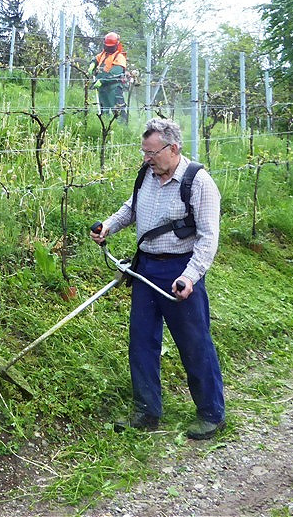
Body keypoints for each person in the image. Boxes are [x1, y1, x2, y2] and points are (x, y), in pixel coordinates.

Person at [90, 118, 226, 440]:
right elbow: (131, 208)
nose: (146, 158)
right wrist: (108, 225)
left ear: (173, 148)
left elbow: (208, 239)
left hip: (180, 271)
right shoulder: (148, 175)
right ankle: (147, 411)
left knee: (194, 344)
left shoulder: (199, 182)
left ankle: (211, 413)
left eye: (151, 153)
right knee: (141, 342)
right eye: (144, 152)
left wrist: (189, 277)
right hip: (145, 269)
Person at [89, 31, 128, 122]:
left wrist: (102, 81)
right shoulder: (103, 54)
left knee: (118, 110)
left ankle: (122, 129)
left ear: (116, 45)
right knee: (104, 109)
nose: (108, 48)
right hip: (102, 88)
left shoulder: (119, 57)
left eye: (110, 47)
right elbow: (96, 59)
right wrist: (92, 64)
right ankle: (105, 126)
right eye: (107, 46)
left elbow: (114, 74)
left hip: (113, 88)